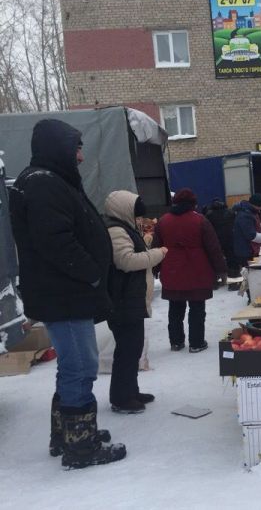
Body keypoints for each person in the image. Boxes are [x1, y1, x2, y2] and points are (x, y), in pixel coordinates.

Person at [9, 119, 126, 468]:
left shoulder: (46, 179)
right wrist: (92, 274)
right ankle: (81, 447)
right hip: (65, 294)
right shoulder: (43, 184)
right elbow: (56, 242)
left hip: (64, 293)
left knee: (71, 367)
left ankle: (67, 434)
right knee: (81, 367)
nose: (80, 156)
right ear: (59, 148)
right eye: (76, 148)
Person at [104, 191, 167, 414]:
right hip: (122, 299)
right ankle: (121, 398)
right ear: (125, 210)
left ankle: (131, 390)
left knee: (133, 347)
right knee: (127, 350)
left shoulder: (124, 227)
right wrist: (158, 254)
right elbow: (126, 261)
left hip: (130, 298)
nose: (140, 218)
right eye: (136, 213)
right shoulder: (116, 230)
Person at [153, 188, 227, 352]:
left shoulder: (163, 221)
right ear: (193, 204)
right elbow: (213, 248)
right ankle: (196, 342)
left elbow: (156, 247)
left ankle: (176, 342)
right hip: (197, 270)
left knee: (175, 308)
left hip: (172, 270)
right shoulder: (200, 220)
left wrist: (155, 268)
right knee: (197, 308)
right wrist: (221, 270)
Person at [205, 198, 238, 278]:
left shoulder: (209, 214)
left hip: (216, 240)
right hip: (229, 239)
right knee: (231, 259)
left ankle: (215, 281)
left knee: (215, 259)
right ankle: (233, 280)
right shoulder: (230, 212)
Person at [233, 194, 261, 270]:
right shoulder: (245, 215)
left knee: (253, 272)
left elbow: (253, 227)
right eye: (260, 206)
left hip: (250, 250)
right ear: (255, 204)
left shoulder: (250, 211)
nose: (260, 209)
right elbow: (251, 235)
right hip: (246, 252)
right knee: (250, 273)